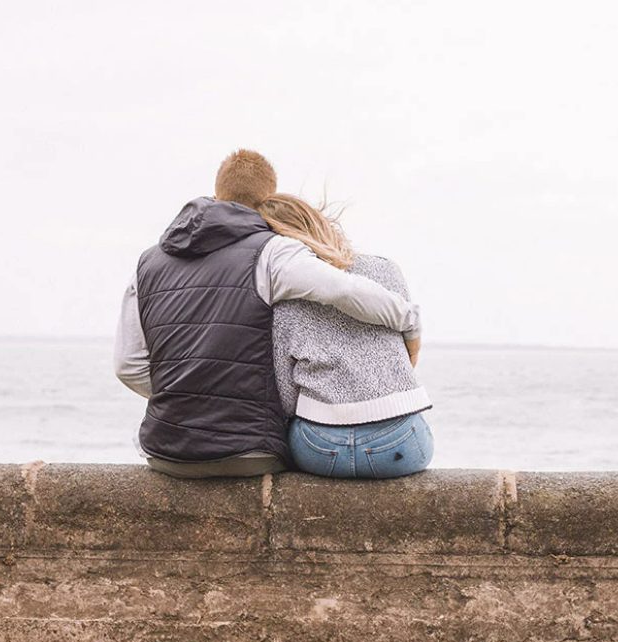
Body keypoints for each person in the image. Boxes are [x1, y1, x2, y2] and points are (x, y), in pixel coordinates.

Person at [114, 150, 422, 478]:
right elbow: (343, 291)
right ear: (269, 198)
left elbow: (126, 366)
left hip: (166, 452)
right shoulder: (273, 252)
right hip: (249, 453)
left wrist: (185, 392)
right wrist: (409, 319)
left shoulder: (146, 263)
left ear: (217, 193)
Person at [258, 193, 433, 479]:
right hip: (399, 445)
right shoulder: (386, 269)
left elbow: (286, 395)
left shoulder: (283, 293)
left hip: (319, 448)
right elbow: (404, 359)